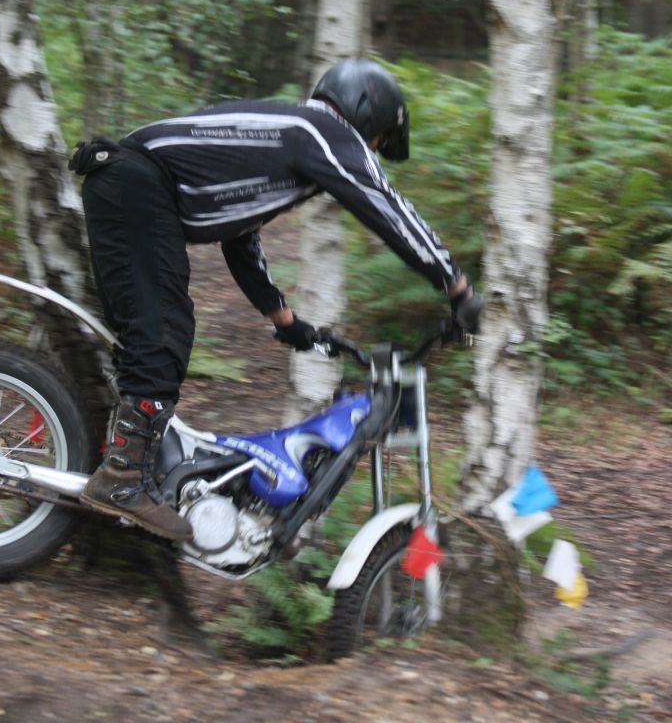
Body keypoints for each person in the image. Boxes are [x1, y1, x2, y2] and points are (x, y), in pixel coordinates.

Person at [69, 59, 482, 542]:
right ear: (365, 113)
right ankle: (122, 477)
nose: (371, 152)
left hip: (124, 183)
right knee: (163, 331)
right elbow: (387, 207)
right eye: (377, 140)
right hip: (137, 184)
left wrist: (286, 321)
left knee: (147, 334)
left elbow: (239, 238)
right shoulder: (322, 130)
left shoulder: (281, 139)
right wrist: (458, 288)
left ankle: (133, 463)